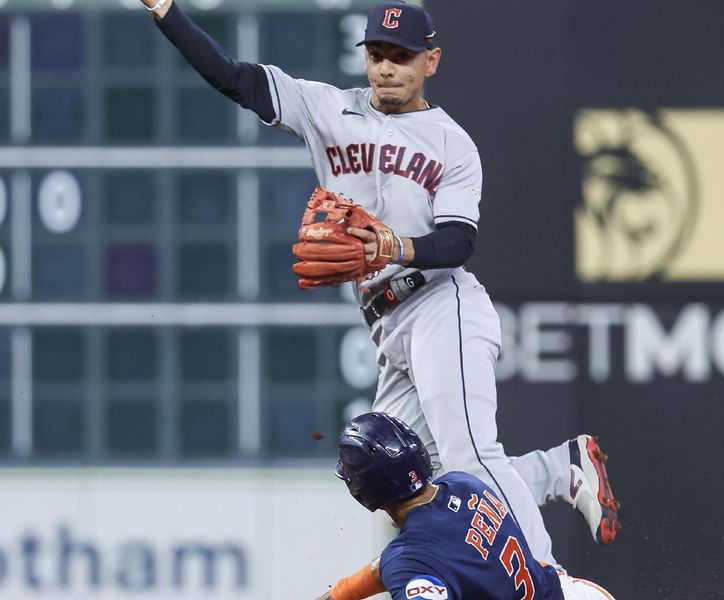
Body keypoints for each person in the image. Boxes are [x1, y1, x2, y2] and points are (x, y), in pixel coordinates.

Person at [140, 0, 620, 567]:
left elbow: (460, 241)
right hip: (387, 324)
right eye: (377, 54)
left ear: (430, 61)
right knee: (412, 482)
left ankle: (547, 579)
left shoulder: (453, 143)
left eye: (402, 56)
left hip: (443, 304)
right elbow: (233, 78)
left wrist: (398, 247)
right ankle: (559, 468)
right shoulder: (326, 109)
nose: (387, 67)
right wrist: (168, 11)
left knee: (469, 458)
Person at [315, 412, 617, 600]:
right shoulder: (463, 484)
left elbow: (411, 562)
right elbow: (414, 560)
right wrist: (341, 594)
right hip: (576, 593)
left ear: (363, 490)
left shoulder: (409, 559)